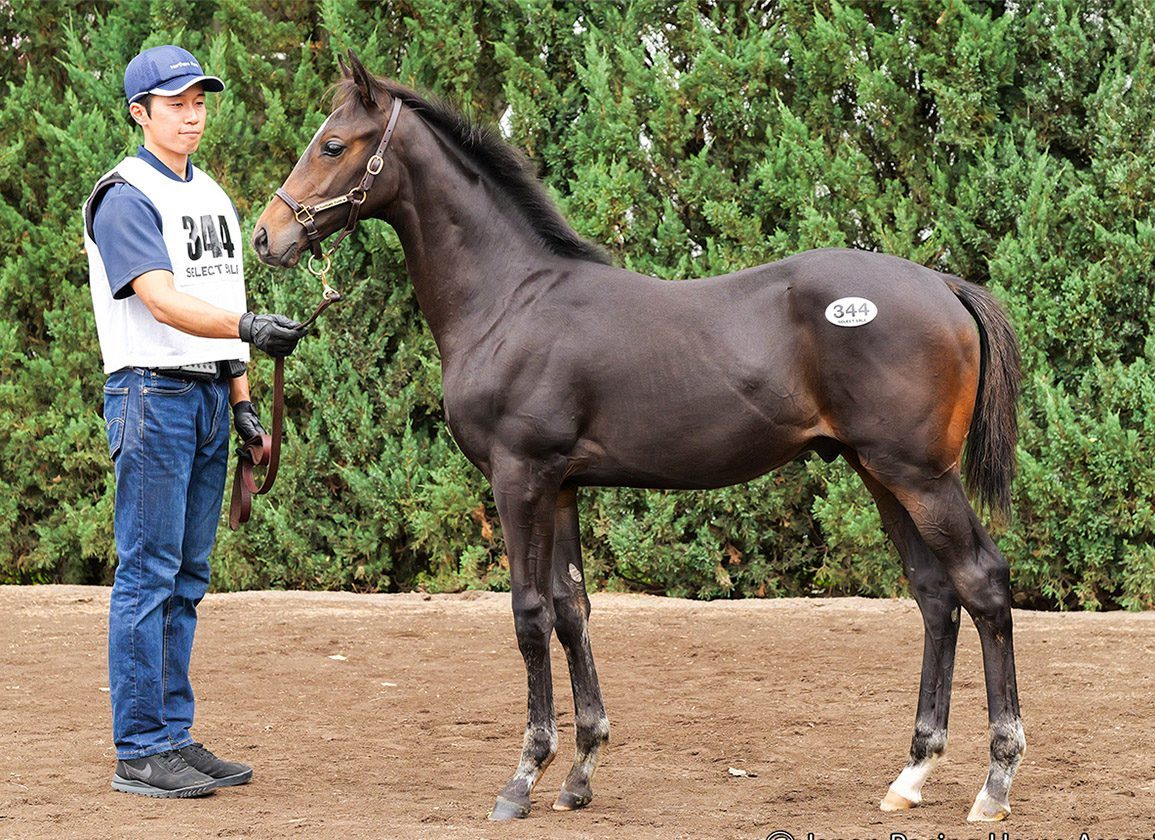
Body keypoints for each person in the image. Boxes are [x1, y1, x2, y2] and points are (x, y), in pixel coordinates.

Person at [83, 44, 307, 798]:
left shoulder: (211, 195)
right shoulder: (123, 195)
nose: (192, 115)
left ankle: (172, 736)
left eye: (199, 101)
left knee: (186, 578)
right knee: (147, 575)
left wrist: (242, 401)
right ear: (139, 112)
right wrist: (249, 328)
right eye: (175, 103)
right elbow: (160, 299)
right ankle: (140, 749)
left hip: (207, 398)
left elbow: (218, 296)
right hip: (151, 396)